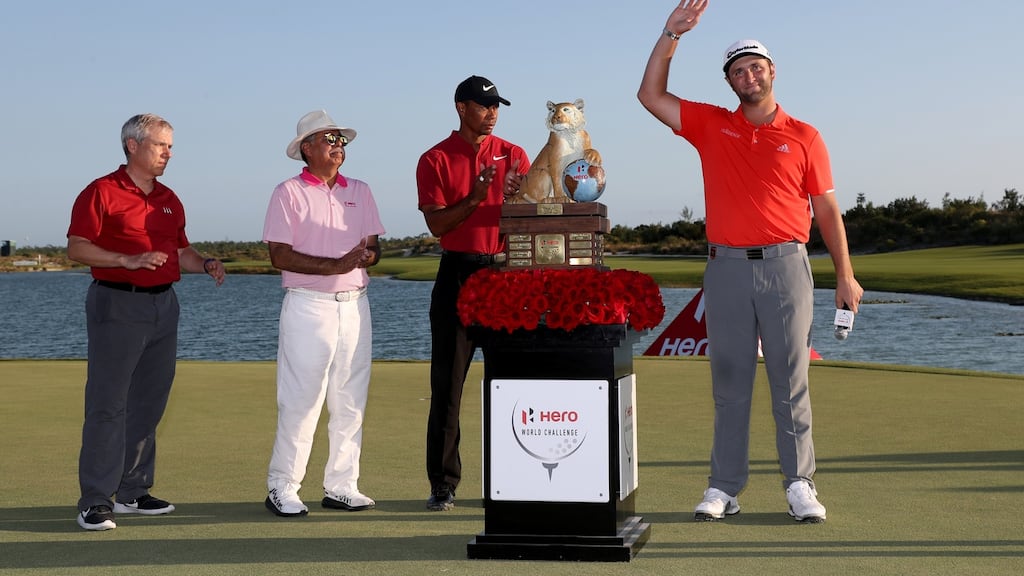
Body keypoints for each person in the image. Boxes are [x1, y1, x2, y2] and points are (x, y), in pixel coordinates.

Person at [638, 0, 864, 523]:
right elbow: (650, 95)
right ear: (731, 82)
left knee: (790, 379)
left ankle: (800, 484)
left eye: (755, 67)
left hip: (786, 265)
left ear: (772, 71)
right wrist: (671, 34)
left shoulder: (805, 135)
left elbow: (827, 210)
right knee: (731, 379)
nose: (749, 75)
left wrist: (846, 275)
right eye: (738, 71)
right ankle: (724, 488)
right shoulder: (713, 124)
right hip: (727, 268)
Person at [67, 113, 226, 531]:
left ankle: (132, 491)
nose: (168, 153)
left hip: (163, 306)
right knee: (108, 405)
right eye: (161, 145)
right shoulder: (101, 191)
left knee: (149, 402)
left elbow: (181, 252)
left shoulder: (169, 197)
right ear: (133, 145)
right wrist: (126, 259)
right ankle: (96, 500)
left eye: (171, 146)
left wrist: (204, 262)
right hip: (117, 305)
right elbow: (77, 248)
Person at [262, 110, 385, 517]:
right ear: (307, 149)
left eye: (340, 140)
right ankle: (283, 485)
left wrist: (366, 255)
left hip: (355, 307)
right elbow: (279, 255)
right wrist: (334, 265)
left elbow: (373, 248)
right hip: (307, 307)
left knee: (351, 401)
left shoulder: (361, 191)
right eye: (329, 139)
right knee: (301, 400)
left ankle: (341, 485)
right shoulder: (288, 192)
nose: (338, 145)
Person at [416, 75, 529, 511]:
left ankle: (515, 478)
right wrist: (479, 197)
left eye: (496, 106)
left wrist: (518, 199)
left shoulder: (514, 154)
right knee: (447, 388)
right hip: (457, 276)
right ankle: (443, 484)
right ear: (462, 108)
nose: (492, 113)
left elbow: (532, 209)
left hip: (504, 277)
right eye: (484, 106)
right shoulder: (435, 159)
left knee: (513, 385)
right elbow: (439, 225)